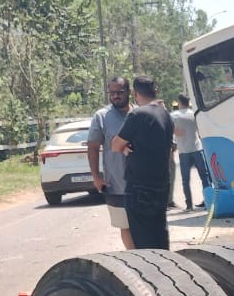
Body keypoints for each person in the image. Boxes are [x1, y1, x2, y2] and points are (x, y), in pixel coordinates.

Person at [112, 76, 175, 250]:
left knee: (143, 242)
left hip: (140, 188)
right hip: (161, 185)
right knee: (160, 235)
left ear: (134, 93)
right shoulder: (166, 115)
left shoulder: (138, 114)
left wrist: (125, 148)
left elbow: (116, 145)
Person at [87, 77, 133, 248]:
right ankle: (135, 257)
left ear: (128, 92)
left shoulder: (138, 114)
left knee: (143, 225)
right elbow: (92, 147)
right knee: (125, 225)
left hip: (142, 183)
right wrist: (96, 177)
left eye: (119, 92)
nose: (115, 96)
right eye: (112, 93)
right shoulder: (101, 117)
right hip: (116, 183)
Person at [171, 94, 211, 212]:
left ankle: (189, 205)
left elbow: (165, 125)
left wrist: (174, 131)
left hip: (184, 151)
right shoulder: (194, 113)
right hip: (197, 149)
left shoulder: (174, 115)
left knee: (185, 180)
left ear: (179, 102)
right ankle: (209, 202)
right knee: (204, 177)